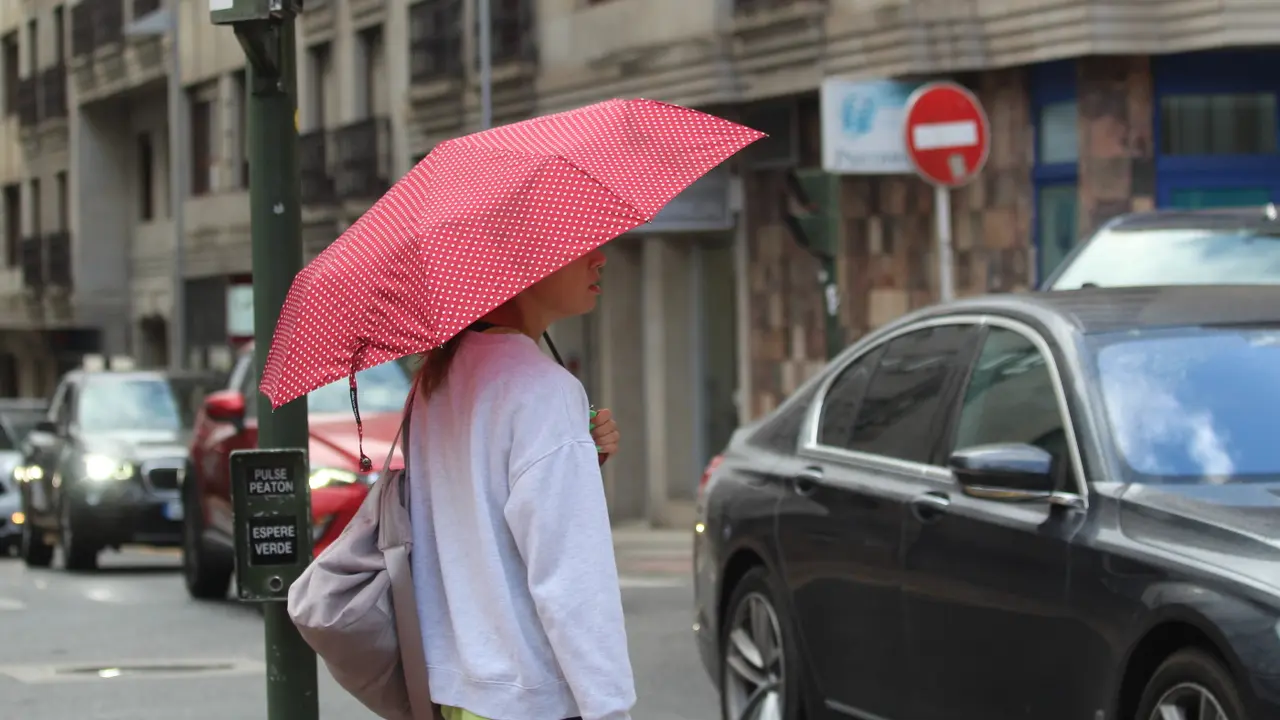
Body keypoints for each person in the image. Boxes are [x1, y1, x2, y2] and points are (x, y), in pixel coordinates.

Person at [406, 246, 636, 720]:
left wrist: (575, 455)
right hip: (531, 700)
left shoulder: (437, 378)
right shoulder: (543, 390)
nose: (601, 259)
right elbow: (572, 578)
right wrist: (610, 710)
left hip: (459, 692)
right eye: (580, 248)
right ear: (525, 262)